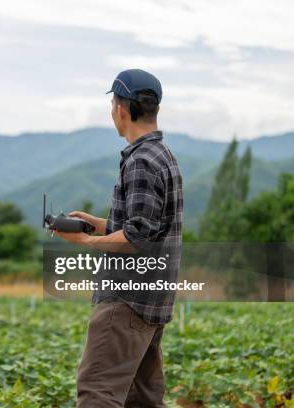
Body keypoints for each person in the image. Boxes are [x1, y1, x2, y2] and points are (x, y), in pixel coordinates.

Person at [55, 69, 183, 408]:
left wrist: (84, 244)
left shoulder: (140, 160)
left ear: (122, 109)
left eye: (113, 103)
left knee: (98, 391)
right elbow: (151, 226)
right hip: (151, 299)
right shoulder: (162, 155)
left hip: (126, 299)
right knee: (142, 398)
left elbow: (136, 238)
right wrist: (97, 224)